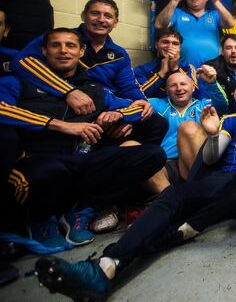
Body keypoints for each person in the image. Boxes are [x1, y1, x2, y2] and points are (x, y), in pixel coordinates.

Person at [35, 76, 236, 300]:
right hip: (223, 182)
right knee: (173, 194)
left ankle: (193, 226)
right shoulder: (231, 121)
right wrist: (213, 134)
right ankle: (106, 265)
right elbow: (212, 159)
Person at [2, 28, 166, 248]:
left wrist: (118, 115)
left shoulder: (93, 87)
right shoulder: (18, 82)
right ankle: (41, 220)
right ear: (44, 50)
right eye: (55, 45)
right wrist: (61, 126)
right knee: (48, 170)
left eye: (70, 46)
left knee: (151, 155)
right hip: (40, 160)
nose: (63, 51)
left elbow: (137, 108)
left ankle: (81, 209)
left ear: (81, 52)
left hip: (83, 160)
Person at [13, 0, 149, 104]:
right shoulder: (60, 39)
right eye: (95, 13)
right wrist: (67, 91)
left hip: (109, 105)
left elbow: (129, 87)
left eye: (108, 16)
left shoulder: (119, 54)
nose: (101, 19)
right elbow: (22, 62)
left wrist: (140, 104)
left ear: (115, 23)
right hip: (69, 103)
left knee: (155, 121)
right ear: (83, 16)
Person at [148, 71, 227, 183]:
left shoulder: (203, 106)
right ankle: (170, 197)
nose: (179, 88)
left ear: (193, 88)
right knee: (139, 156)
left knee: (188, 127)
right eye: (173, 85)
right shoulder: (157, 105)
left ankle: (198, 188)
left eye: (183, 84)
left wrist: (212, 83)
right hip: (167, 163)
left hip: (195, 162)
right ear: (167, 91)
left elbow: (222, 104)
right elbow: (136, 98)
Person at [155, 0, 234, 68]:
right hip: (183, 69)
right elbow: (159, 25)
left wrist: (216, 2)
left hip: (213, 70)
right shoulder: (178, 13)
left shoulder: (214, 14)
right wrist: (174, 1)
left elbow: (230, 24)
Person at [134, 28, 196, 99]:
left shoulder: (188, 68)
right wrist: (161, 73)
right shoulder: (143, 69)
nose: (170, 47)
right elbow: (138, 95)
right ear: (156, 45)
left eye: (175, 43)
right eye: (165, 42)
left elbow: (196, 94)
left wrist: (175, 69)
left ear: (179, 48)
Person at [204, 35, 236, 114]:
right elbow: (205, 99)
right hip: (218, 114)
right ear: (222, 51)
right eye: (228, 48)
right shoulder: (210, 69)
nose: (233, 51)